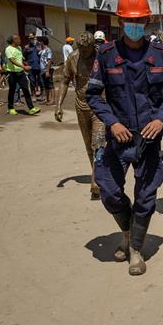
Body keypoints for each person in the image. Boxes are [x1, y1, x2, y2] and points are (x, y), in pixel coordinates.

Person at [85, 0, 163, 275]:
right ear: (121, 21)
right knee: (108, 189)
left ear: (147, 20)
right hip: (117, 136)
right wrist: (112, 121)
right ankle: (126, 232)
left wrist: (161, 120)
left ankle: (135, 248)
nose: (134, 25)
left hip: (149, 138)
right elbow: (92, 94)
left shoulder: (161, 56)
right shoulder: (106, 55)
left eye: (139, 20)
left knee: (146, 195)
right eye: (129, 20)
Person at [55, 32, 106, 200]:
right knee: (88, 146)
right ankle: (97, 175)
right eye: (81, 50)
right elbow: (64, 80)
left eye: (87, 50)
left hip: (100, 106)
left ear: (93, 46)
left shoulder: (103, 56)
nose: (84, 53)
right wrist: (58, 105)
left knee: (98, 143)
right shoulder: (73, 58)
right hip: (81, 106)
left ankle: (96, 183)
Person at [5, 34, 40, 115]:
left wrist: (25, 63)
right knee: (12, 90)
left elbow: (21, 59)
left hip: (20, 72)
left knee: (25, 90)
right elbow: (12, 60)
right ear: (14, 40)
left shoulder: (19, 48)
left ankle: (31, 108)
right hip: (12, 73)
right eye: (18, 39)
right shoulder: (8, 49)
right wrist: (24, 67)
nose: (20, 40)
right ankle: (10, 108)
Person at [24, 33, 42, 100]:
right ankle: (33, 95)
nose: (32, 40)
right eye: (30, 38)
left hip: (39, 66)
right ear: (29, 39)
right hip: (31, 67)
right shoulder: (27, 47)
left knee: (40, 81)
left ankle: (42, 94)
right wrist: (26, 65)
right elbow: (24, 57)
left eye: (33, 38)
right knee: (32, 81)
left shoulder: (39, 46)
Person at [38, 36, 56, 105]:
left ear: (42, 42)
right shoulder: (42, 50)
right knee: (46, 85)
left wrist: (47, 71)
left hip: (48, 69)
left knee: (50, 85)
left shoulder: (48, 50)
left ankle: (53, 100)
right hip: (43, 70)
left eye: (40, 41)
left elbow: (49, 61)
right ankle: (47, 99)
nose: (39, 43)